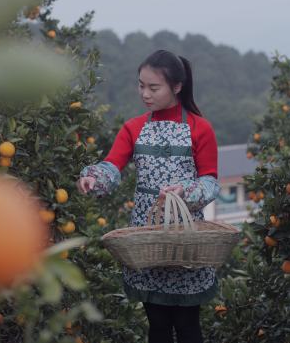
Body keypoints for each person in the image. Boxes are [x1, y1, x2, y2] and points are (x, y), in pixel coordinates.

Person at [76, 49, 221, 343]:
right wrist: (93, 178)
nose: (145, 94)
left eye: (154, 87)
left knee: (188, 325)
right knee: (157, 324)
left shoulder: (199, 128)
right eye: (141, 85)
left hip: (185, 239)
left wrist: (185, 190)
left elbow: (210, 182)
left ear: (177, 86)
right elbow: (111, 165)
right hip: (147, 239)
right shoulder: (134, 128)